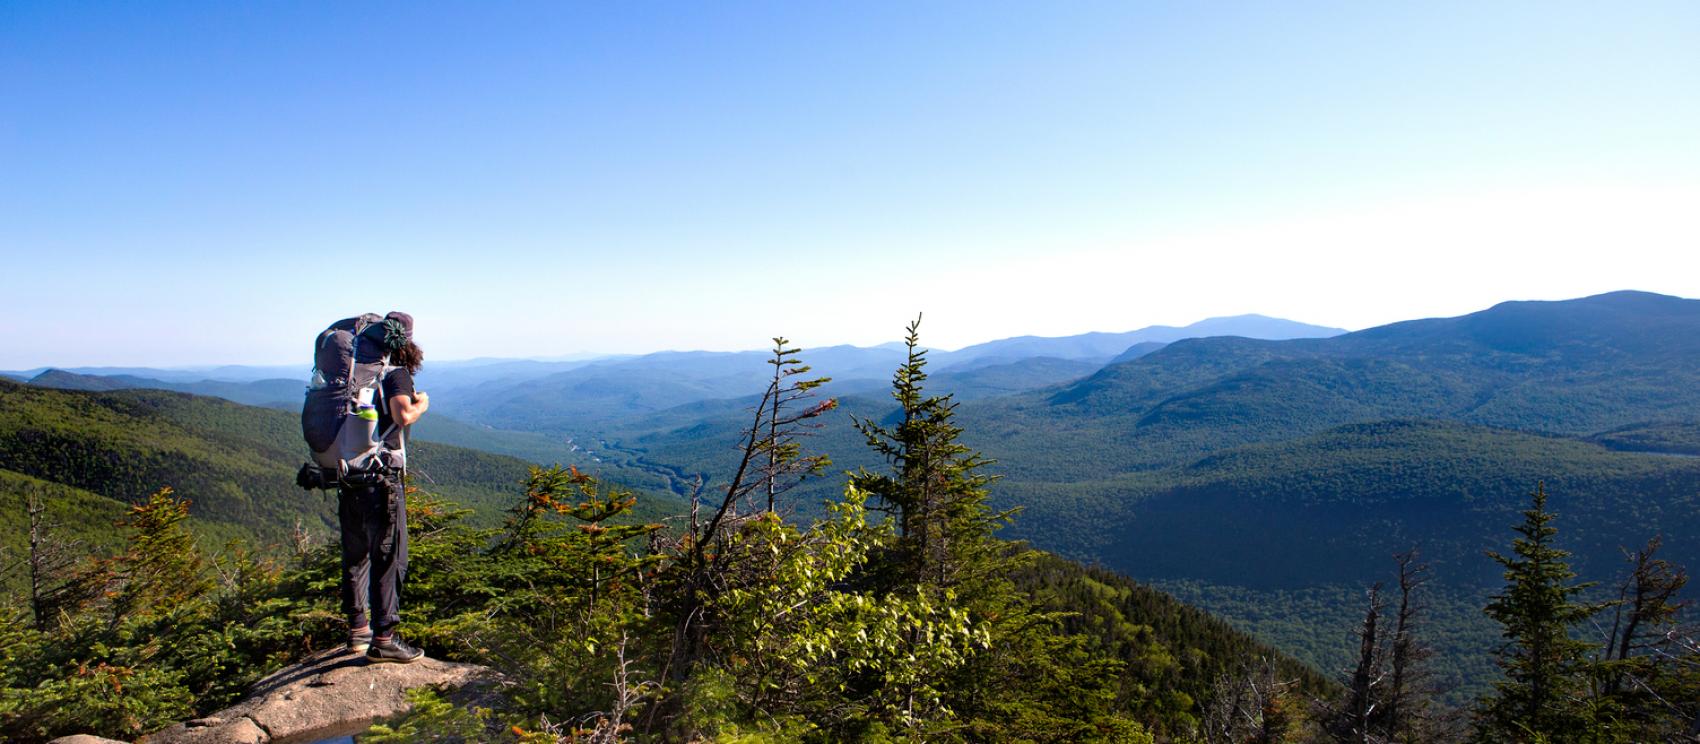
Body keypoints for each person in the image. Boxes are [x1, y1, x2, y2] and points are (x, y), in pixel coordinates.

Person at [342, 310, 430, 664]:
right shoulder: (394, 374)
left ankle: (358, 631)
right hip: (381, 480)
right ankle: (385, 638)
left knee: (356, 555)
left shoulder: (352, 375)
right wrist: (422, 402)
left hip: (348, 474)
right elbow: (402, 415)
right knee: (390, 556)